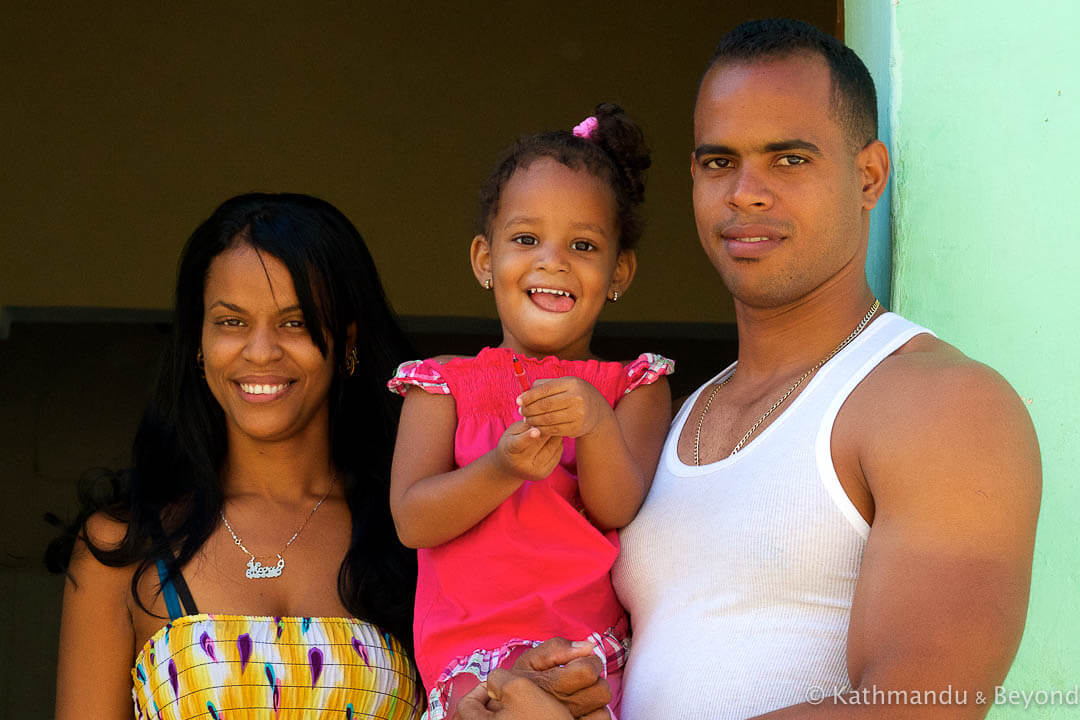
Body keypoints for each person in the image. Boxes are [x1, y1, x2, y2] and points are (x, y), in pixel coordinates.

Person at [608, 18, 1042, 720]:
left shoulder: (940, 404)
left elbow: (921, 707)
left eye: (789, 159)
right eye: (720, 162)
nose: (745, 193)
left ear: (867, 176)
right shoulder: (679, 413)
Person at [49, 193, 425, 719]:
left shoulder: (417, 528)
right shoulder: (125, 547)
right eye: (231, 322)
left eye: (295, 323)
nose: (261, 352)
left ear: (347, 343)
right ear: (199, 344)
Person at [386, 104, 673, 719]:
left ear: (618, 272)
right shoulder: (443, 385)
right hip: (470, 662)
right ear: (485, 260)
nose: (553, 261)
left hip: (583, 654)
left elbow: (618, 506)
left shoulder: (633, 387)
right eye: (525, 239)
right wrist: (501, 468)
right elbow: (413, 519)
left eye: (583, 244)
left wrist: (594, 422)